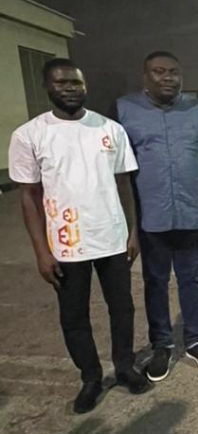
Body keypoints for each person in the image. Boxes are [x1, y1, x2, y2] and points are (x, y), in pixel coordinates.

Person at [9, 59, 149, 413]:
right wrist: (41, 251)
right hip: (66, 244)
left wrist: (132, 231)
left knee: (122, 308)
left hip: (112, 237)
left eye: (76, 82)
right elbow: (29, 196)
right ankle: (90, 377)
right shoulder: (30, 135)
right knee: (74, 316)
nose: (70, 88)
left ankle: (124, 366)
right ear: (48, 87)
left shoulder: (110, 129)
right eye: (61, 83)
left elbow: (124, 184)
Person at [116, 51, 198, 383]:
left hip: (191, 214)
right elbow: (118, 171)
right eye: (159, 71)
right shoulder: (124, 111)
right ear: (145, 77)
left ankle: (195, 340)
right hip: (151, 217)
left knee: (191, 279)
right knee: (155, 282)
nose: (167, 78)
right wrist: (129, 225)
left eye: (173, 72)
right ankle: (162, 344)